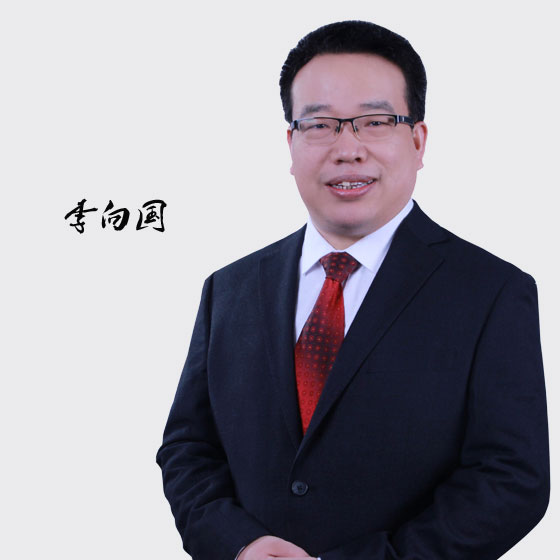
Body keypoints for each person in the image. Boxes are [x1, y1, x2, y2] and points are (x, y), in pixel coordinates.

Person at [156, 20, 549, 560]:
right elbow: (189, 448)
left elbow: (511, 479)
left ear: (417, 140)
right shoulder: (229, 289)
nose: (347, 148)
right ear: (291, 143)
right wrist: (239, 545)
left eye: (375, 122)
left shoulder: (492, 292)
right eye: (320, 125)